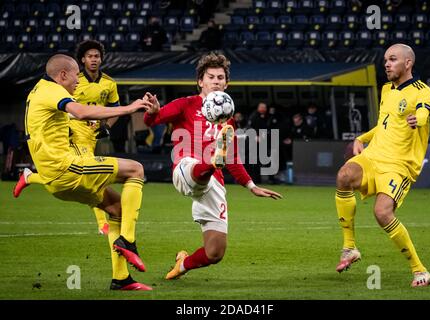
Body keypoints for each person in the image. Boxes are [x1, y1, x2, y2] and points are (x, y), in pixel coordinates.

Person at [16, 54, 153, 290]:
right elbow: (80, 111)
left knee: (118, 209)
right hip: (67, 169)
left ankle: (121, 279)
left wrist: (93, 125)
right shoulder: (53, 90)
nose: (78, 82)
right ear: (62, 75)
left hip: (55, 180)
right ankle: (128, 241)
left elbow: (71, 117)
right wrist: (130, 108)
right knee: (136, 169)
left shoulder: (37, 92)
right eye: (75, 76)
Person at [143, 52, 282, 280]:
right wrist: (152, 112)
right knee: (198, 166)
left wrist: (251, 186)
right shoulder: (186, 104)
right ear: (200, 81)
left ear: (226, 84)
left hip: (212, 182)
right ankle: (210, 163)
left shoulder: (227, 118)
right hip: (185, 168)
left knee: (215, 252)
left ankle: (183, 264)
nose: (216, 81)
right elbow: (153, 120)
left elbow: (234, 158)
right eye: (211, 77)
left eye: (220, 77)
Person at [334, 43, 430, 287]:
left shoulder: (422, 90)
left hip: (399, 165)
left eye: (393, 59)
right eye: (385, 60)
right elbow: (385, 124)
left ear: (407, 63)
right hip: (374, 155)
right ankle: (349, 248)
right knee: (344, 175)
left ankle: (420, 270)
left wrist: (417, 119)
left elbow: (424, 113)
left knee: (382, 213)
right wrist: (362, 138)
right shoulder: (387, 89)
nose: (387, 64)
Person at [14, 40, 120, 236]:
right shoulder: (72, 80)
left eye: (97, 56)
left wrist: (107, 127)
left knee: (75, 177)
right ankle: (102, 223)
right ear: (82, 59)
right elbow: (70, 109)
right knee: (90, 178)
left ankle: (29, 176)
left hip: (92, 135)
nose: (94, 60)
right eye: (90, 56)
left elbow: (113, 110)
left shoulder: (109, 83)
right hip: (74, 134)